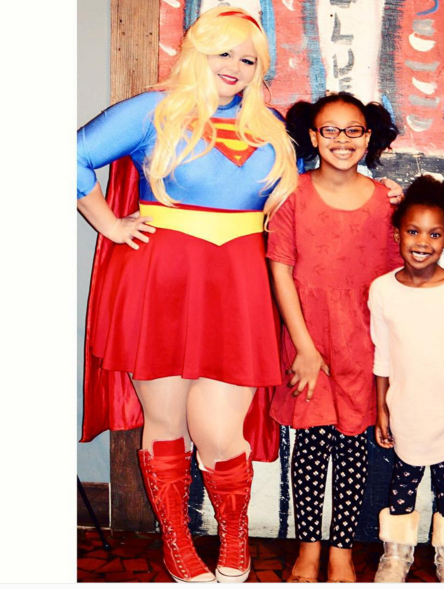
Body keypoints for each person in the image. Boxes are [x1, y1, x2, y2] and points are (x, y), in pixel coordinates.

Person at [77, 7, 298, 583]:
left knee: (221, 432)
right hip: (162, 284)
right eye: (223, 52)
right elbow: (71, 155)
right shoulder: (155, 110)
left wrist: (380, 189)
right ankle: (176, 540)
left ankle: (234, 537)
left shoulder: (272, 124)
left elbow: (316, 185)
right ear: (196, 51)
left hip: (240, 287)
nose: (235, 66)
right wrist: (109, 224)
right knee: (166, 421)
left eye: (247, 58)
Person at [266, 94, 444, 583]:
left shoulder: (386, 203)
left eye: (354, 130)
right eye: (330, 130)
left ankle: (342, 551)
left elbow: (412, 279)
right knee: (310, 449)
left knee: (352, 451)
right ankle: (309, 548)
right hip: (308, 341)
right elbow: (281, 273)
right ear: (313, 136)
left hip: (364, 346)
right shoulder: (292, 197)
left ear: (368, 137)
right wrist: (304, 347)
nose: (342, 140)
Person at [369, 175, 444, 583]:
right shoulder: (382, 290)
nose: (423, 242)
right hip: (406, 413)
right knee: (402, 485)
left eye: (434, 234)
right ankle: (396, 554)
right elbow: (383, 356)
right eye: (413, 231)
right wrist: (382, 410)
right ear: (397, 234)